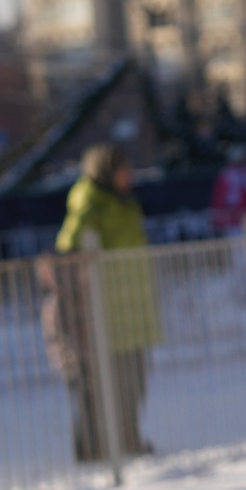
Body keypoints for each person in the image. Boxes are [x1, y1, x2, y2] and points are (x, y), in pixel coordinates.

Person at [49, 143, 160, 460]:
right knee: (101, 385)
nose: (129, 175)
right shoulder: (90, 202)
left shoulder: (125, 202)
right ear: (106, 171)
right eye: (123, 168)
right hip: (104, 311)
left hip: (131, 308)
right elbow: (69, 249)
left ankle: (128, 437)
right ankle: (99, 446)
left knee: (133, 380)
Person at [208, 143, 246, 233]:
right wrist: (219, 216)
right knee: (237, 242)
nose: (241, 161)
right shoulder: (226, 174)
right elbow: (220, 197)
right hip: (233, 216)